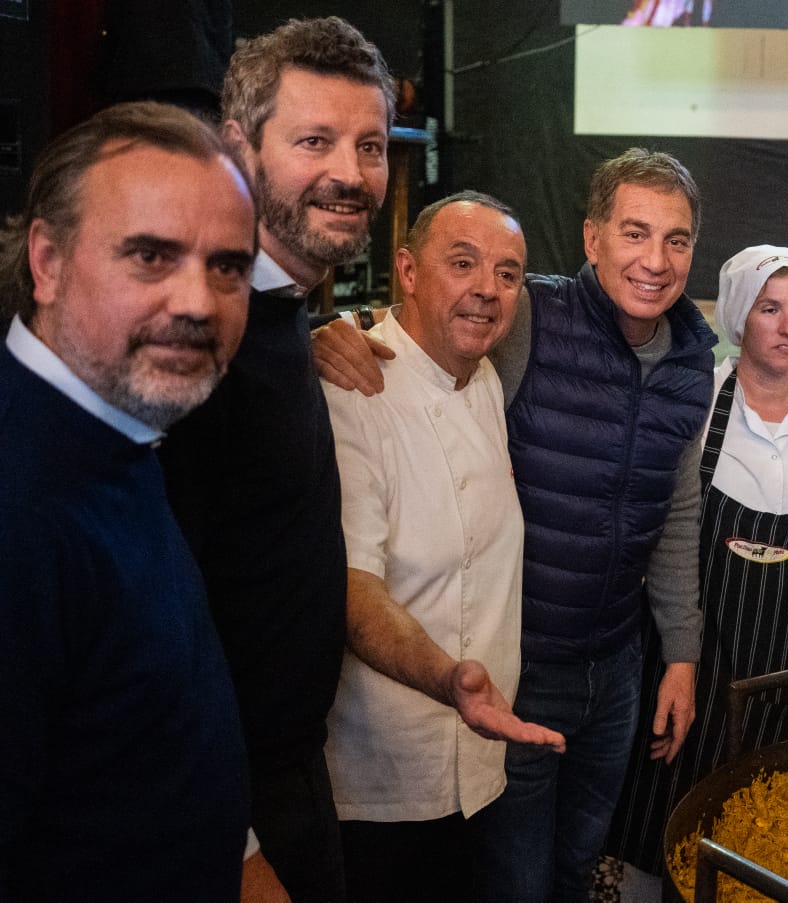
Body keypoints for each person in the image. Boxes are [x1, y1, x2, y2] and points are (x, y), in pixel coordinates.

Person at [313, 147, 716, 902]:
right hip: (524, 670)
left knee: (574, 868)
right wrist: (323, 330)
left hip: (618, 670)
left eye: (676, 239)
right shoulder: (532, 313)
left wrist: (681, 653)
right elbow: (432, 319)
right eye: (634, 233)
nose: (654, 260)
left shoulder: (693, 362)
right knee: (514, 883)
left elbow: (677, 508)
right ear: (592, 241)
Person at [154, 17, 393, 901]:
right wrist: (236, 844)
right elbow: (151, 622)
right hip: (216, 804)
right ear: (236, 146)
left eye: (368, 145)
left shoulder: (282, 310)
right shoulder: (187, 343)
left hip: (288, 769)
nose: (350, 172)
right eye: (313, 141)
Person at [0, 101, 256, 900]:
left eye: (227, 266)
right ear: (46, 261)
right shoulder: (19, 504)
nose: (198, 302)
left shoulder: (117, 428)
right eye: (151, 255)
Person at [322, 191, 566, 903]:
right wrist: (447, 677)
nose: (486, 289)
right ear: (406, 268)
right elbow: (351, 586)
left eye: (508, 273)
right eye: (462, 263)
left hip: (482, 761)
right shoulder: (353, 385)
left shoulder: (487, 377)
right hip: (382, 775)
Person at [607, 245, 788, 883]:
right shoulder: (699, 397)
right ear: (742, 316)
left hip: (776, 669)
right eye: (771, 309)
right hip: (691, 651)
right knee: (658, 818)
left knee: (752, 827)